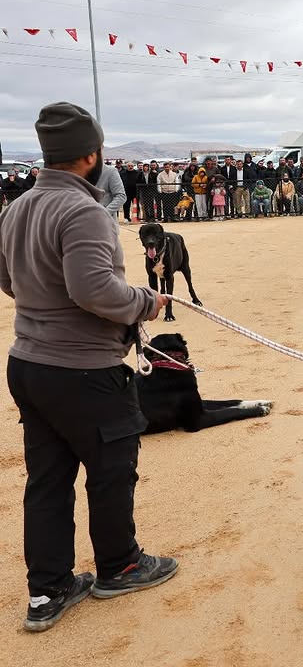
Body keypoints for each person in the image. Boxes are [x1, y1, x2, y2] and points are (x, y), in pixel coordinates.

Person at [0, 102, 175, 633]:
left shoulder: (17, 207)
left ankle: (47, 590)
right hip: (84, 371)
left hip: (28, 363)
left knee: (48, 479)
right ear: (92, 154)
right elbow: (94, 289)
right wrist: (146, 302)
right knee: (110, 469)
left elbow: (7, 279)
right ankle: (119, 565)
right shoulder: (84, 211)